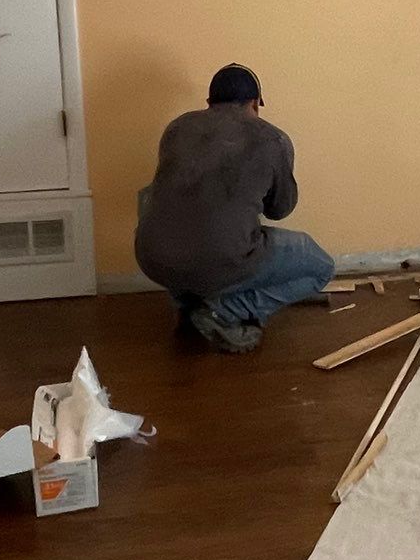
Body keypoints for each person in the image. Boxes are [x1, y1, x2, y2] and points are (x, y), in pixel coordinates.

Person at [133, 64, 332, 353]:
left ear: (209, 103)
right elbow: (280, 209)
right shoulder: (272, 138)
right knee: (321, 267)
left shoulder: (177, 128)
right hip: (219, 258)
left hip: (151, 257)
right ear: (255, 103)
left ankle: (187, 305)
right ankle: (224, 311)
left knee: (173, 217)